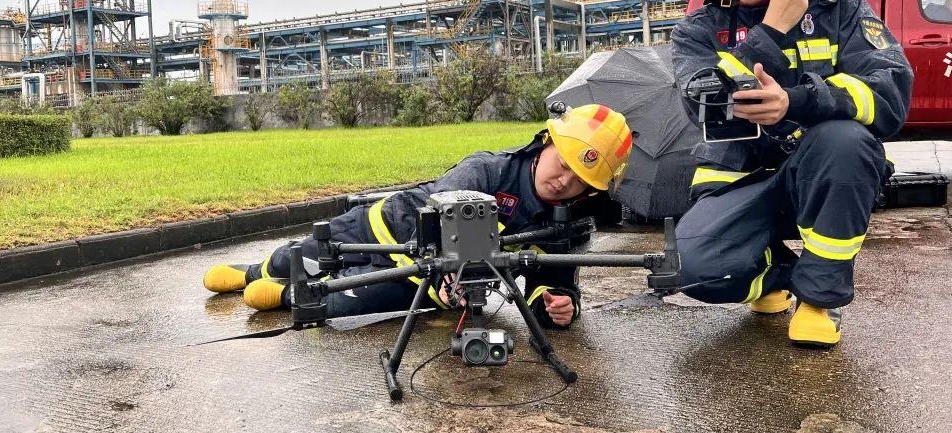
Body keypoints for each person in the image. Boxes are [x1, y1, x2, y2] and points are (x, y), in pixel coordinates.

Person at [669, 0, 914, 347]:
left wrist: (797, 100)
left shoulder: (841, 11)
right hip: (737, 179)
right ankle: (778, 275)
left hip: (821, 175)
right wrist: (773, 30)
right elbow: (702, 101)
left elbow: (890, 91)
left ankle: (818, 301)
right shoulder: (699, 28)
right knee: (693, 271)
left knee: (846, 141)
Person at [202, 104, 633, 330]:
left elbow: (553, 282)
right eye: (565, 163)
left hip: (421, 282)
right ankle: (253, 272)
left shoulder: (563, 224)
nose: (565, 181)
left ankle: (281, 296)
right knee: (297, 256)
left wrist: (557, 307)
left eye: (581, 179)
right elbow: (440, 211)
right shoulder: (487, 170)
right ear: (547, 143)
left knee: (334, 305)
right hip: (380, 228)